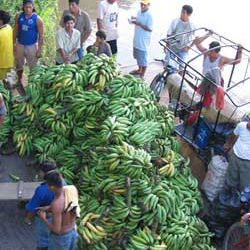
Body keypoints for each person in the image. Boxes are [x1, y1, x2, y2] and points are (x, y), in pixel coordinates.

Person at [38, 171, 79, 250]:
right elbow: (66, 207)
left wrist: (43, 218)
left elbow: (56, 230)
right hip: (73, 233)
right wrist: (48, 208)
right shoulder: (72, 189)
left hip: (61, 240)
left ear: (52, 187)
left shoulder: (56, 204)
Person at [25, 161, 58, 250]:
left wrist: (28, 218)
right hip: (58, 215)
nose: (39, 173)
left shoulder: (41, 190)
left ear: (44, 174)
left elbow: (32, 208)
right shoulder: (63, 184)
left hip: (45, 217)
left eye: (40, 171)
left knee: (43, 239)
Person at [13, 0, 44, 91]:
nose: (28, 9)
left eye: (30, 7)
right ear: (23, 7)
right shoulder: (19, 16)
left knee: (33, 67)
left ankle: (33, 83)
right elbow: (15, 30)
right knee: (19, 64)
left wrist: (39, 50)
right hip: (20, 44)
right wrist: (13, 43)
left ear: (33, 7)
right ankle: (19, 80)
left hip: (32, 46)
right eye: (26, 7)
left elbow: (41, 36)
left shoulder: (38, 19)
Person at [165, 5, 195, 74]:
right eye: (181, 12)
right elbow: (169, 34)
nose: (181, 14)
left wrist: (189, 47)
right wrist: (167, 45)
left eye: (184, 12)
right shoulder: (175, 21)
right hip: (172, 47)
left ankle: (179, 80)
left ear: (189, 14)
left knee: (182, 68)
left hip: (183, 49)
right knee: (167, 65)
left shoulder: (192, 25)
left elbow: (196, 39)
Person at [130, 0, 153, 79]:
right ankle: (139, 69)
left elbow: (150, 29)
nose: (142, 6)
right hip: (136, 39)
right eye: (141, 4)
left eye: (144, 5)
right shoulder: (139, 12)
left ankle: (142, 74)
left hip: (143, 41)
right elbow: (138, 19)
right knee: (137, 56)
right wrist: (134, 19)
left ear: (148, 5)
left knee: (143, 59)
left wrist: (139, 23)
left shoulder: (150, 15)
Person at [224, 121, 250, 191]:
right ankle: (228, 192)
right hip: (235, 156)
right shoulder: (242, 125)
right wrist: (228, 144)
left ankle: (240, 197)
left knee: (245, 185)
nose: (248, 124)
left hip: (248, 163)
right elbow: (233, 134)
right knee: (231, 177)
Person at [0, 10, 14, 82]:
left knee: (2, 84)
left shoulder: (1, 33)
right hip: (10, 62)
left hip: (2, 64)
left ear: (1, 21)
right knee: (10, 81)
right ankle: (11, 90)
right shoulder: (9, 27)